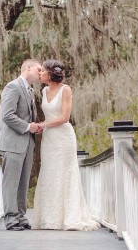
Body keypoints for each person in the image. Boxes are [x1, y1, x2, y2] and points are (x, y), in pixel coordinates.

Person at [31, 60, 99, 231]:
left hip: (63, 137)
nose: (39, 74)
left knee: (65, 174)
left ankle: (69, 218)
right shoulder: (44, 90)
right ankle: (49, 219)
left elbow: (64, 118)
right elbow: (49, 116)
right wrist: (43, 127)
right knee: (49, 173)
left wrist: (43, 125)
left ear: (50, 73)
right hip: (49, 139)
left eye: (42, 71)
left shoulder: (65, 90)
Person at [0, 59, 43, 231]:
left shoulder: (29, 90)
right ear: (27, 68)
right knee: (11, 182)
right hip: (12, 141)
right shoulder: (12, 87)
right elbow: (7, 115)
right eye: (39, 69)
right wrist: (28, 126)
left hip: (27, 141)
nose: (40, 73)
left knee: (23, 182)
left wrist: (34, 128)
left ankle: (21, 216)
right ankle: (11, 219)